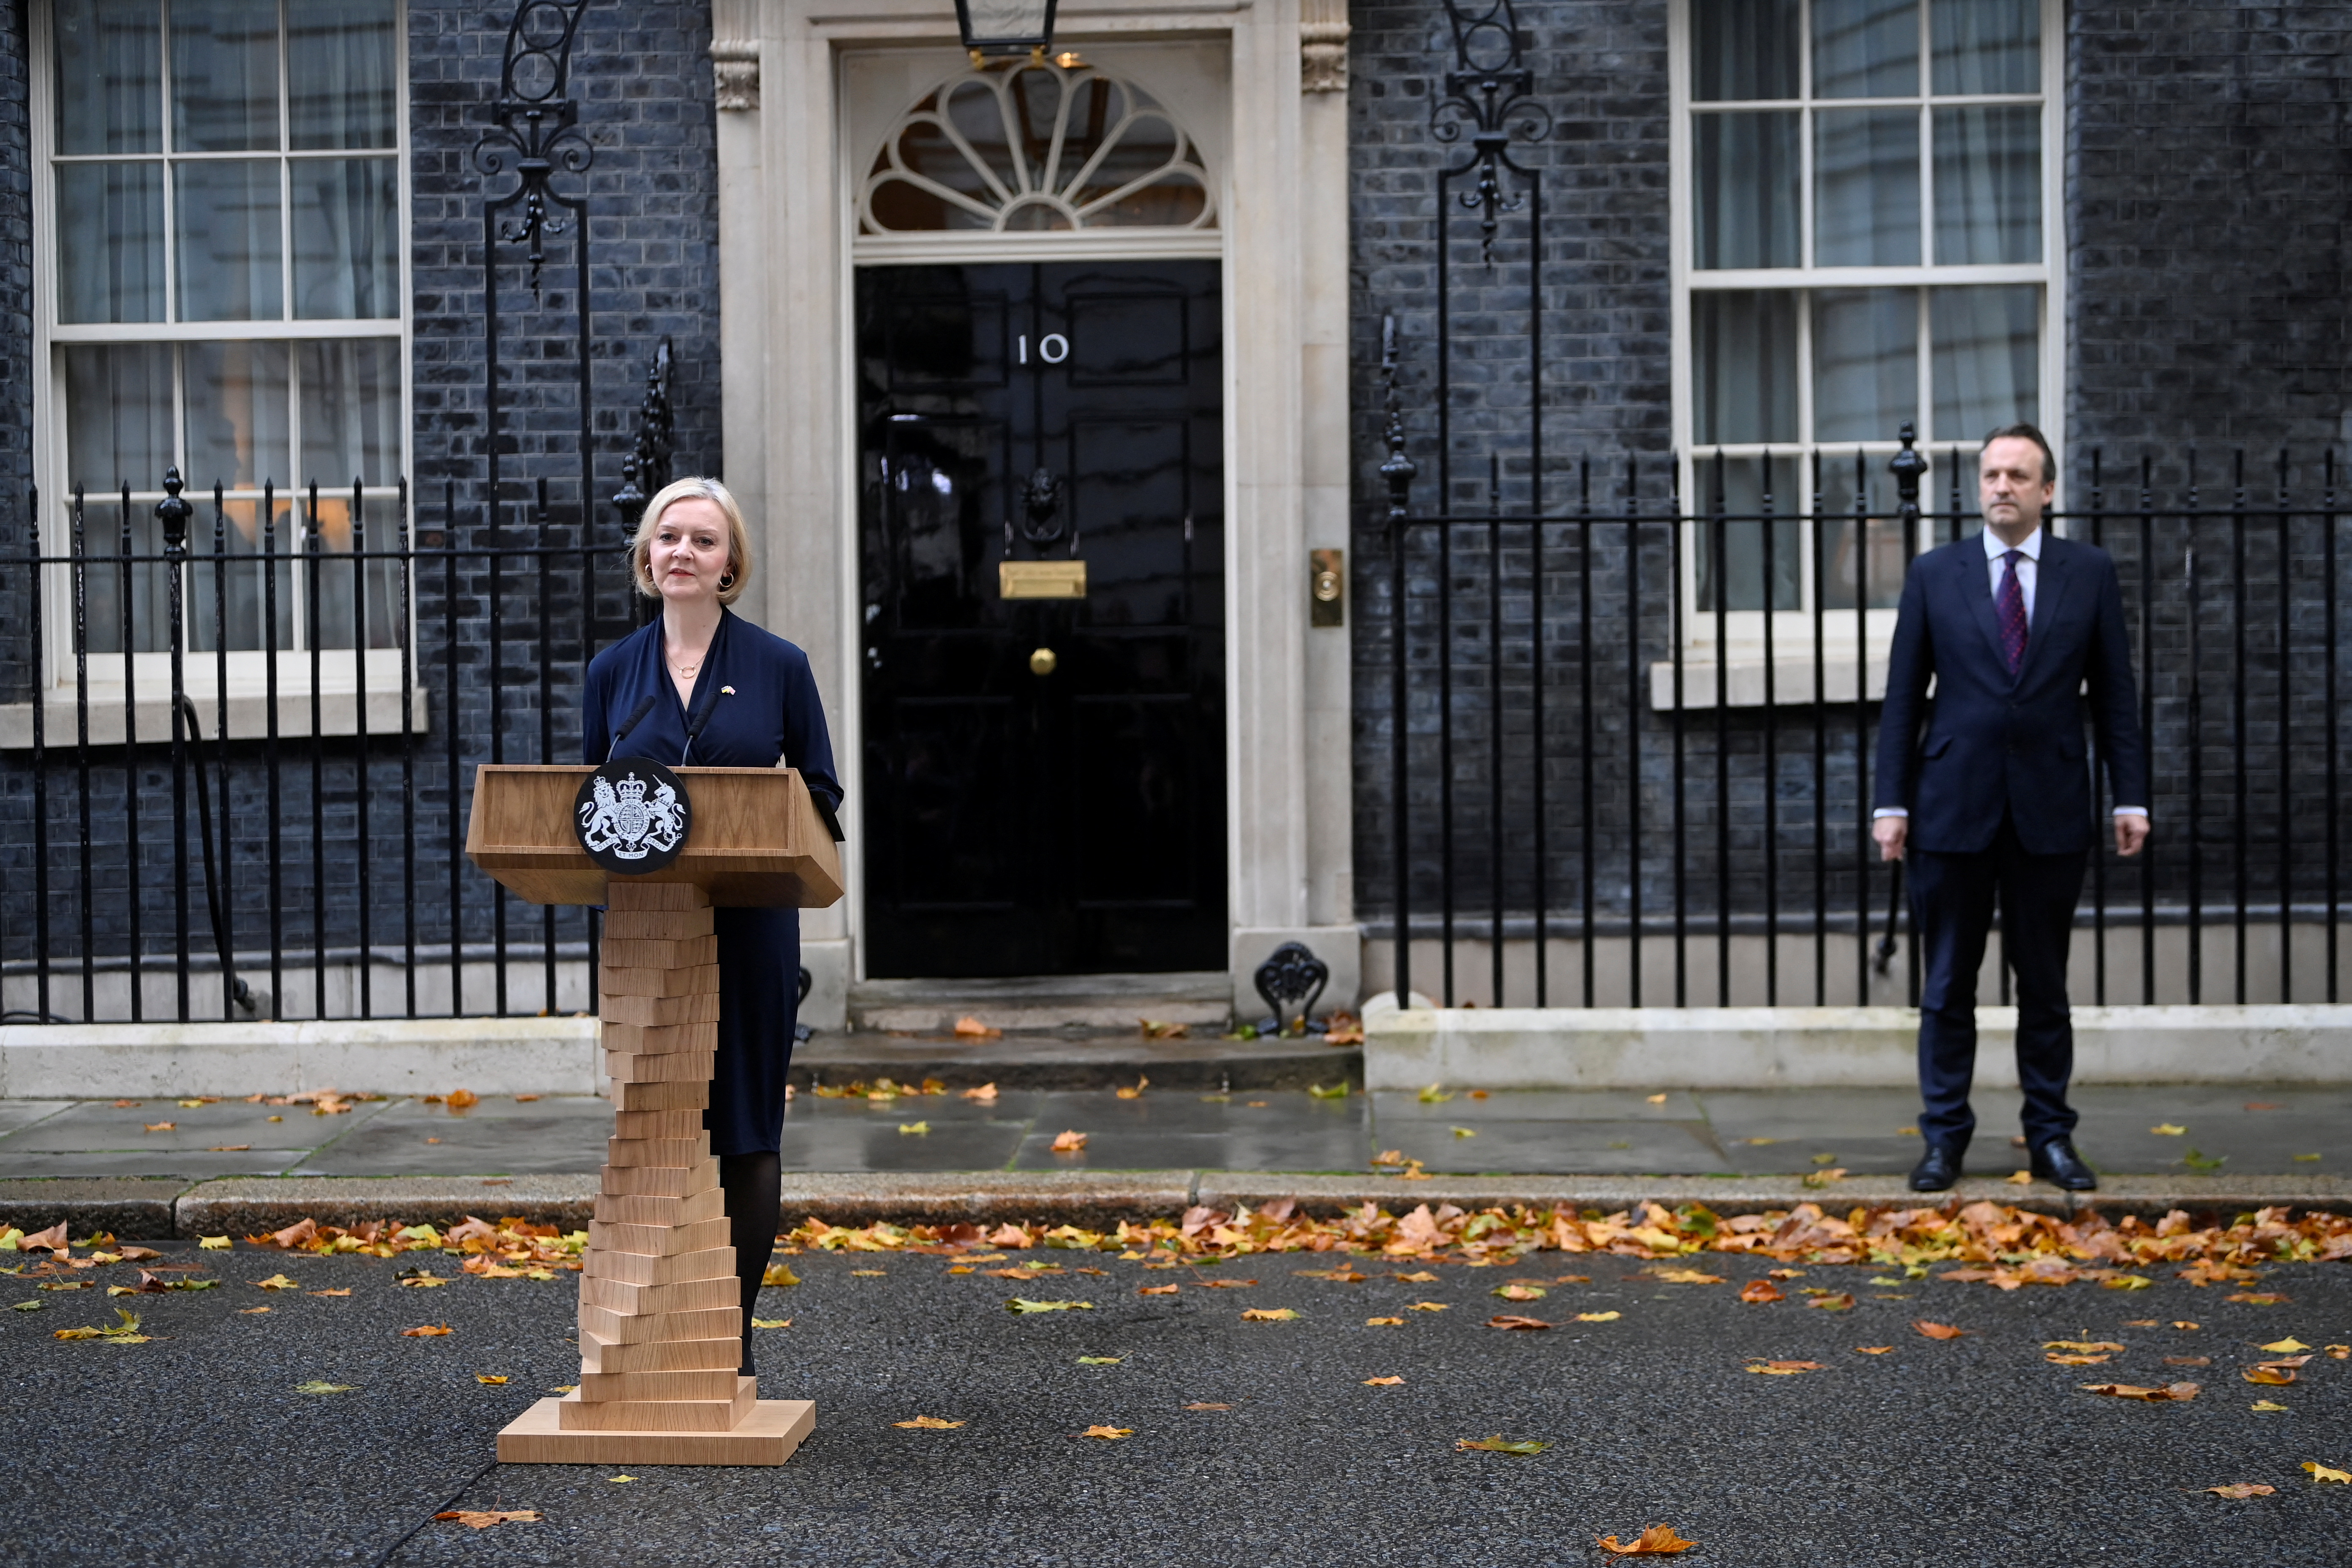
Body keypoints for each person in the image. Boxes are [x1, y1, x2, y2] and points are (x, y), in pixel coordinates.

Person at [582, 476, 841, 1377]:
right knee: (657, 1126)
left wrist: (765, 811)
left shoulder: (780, 665)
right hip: (651, 930)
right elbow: (587, 805)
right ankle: (655, 1333)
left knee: (742, 1125)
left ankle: (729, 1336)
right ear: (646, 558)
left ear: (732, 563)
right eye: (668, 537)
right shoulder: (612, 671)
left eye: (703, 539)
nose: (683, 551)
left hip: (752, 922)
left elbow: (822, 792)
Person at [1872, 425, 2148, 1194]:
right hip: (1950, 808)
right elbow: (1902, 700)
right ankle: (1944, 1140)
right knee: (1948, 983)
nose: (2002, 486)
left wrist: (2131, 794)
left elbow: (2116, 696)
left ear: (2047, 491)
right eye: (1992, 474)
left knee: (2045, 986)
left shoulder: (2088, 574)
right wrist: (1889, 803)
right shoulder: (1936, 574)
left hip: (2050, 808)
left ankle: (2051, 1138)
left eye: (2018, 476)